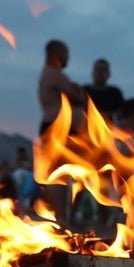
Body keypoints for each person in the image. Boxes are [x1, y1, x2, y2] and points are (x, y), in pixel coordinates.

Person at [37, 39, 86, 226]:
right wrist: (79, 93)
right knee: (59, 174)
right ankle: (62, 218)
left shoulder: (49, 74)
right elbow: (77, 95)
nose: (68, 57)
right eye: (65, 53)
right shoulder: (54, 74)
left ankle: (64, 217)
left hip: (58, 128)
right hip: (57, 128)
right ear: (55, 54)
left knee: (66, 174)